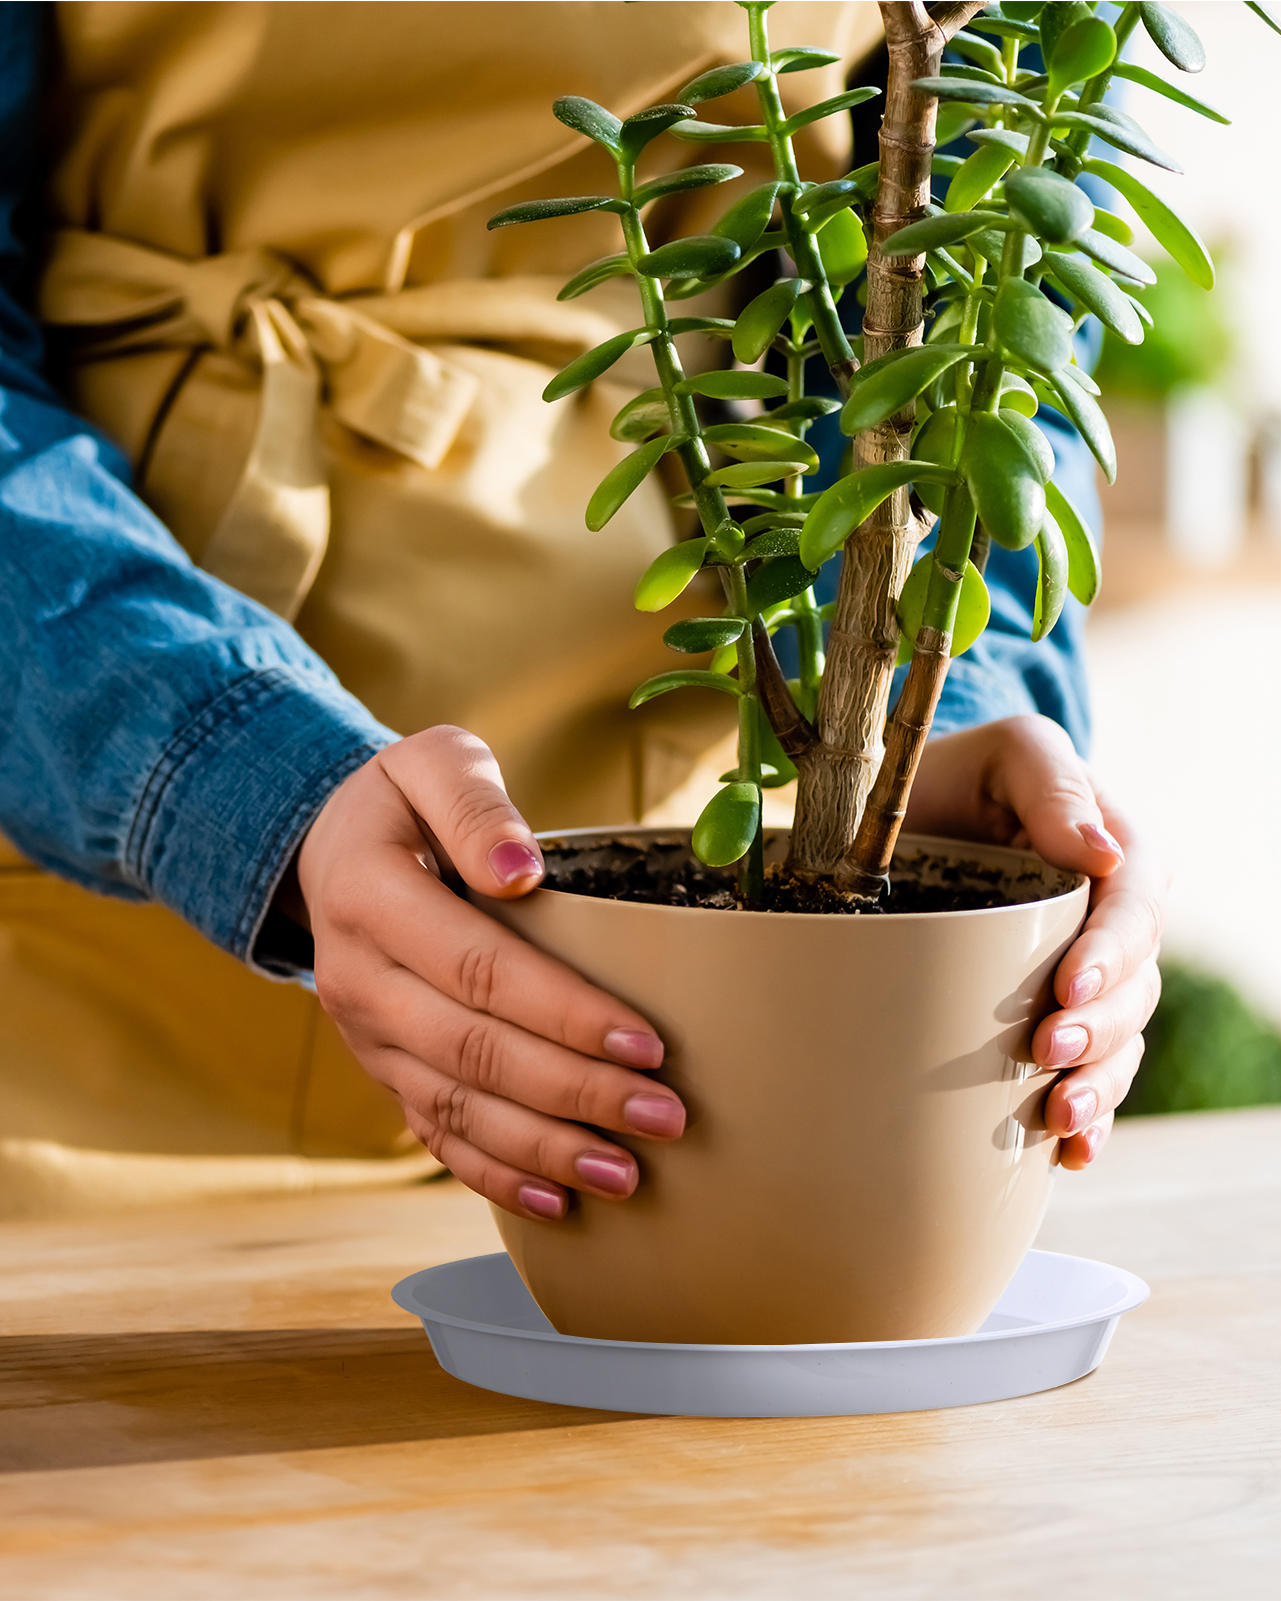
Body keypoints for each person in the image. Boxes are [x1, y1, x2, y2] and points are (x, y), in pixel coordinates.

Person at [0, 1, 1165, 1219]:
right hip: (93, 909)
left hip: (700, 1004)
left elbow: (985, 277)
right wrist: (238, 789)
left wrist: (948, 719)